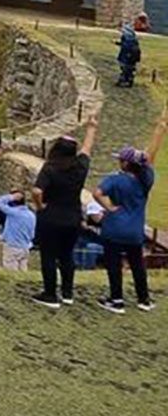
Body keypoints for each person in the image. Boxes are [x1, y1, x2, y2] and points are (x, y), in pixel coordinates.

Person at [91, 108, 165, 313]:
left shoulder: (115, 179)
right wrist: (159, 131)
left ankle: (116, 300)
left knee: (114, 265)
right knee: (137, 265)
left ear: (125, 163)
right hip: (134, 230)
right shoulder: (145, 180)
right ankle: (144, 299)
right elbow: (149, 158)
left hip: (114, 228)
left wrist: (109, 207)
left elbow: (96, 193)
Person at [30, 116, 97, 308]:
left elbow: (36, 191)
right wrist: (91, 128)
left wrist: (40, 205)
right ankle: (67, 293)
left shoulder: (50, 168)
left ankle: (50, 294)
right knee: (67, 255)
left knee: (48, 255)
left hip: (51, 216)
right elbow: (87, 149)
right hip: (72, 217)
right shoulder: (80, 168)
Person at [0, 190, 36, 272]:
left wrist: (11, 197)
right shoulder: (31, 215)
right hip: (25, 247)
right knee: (23, 271)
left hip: (12, 246)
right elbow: (32, 234)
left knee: (11, 272)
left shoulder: (13, 212)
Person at [115, 19, 142, 88]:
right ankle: (128, 80)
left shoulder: (126, 35)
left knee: (125, 68)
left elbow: (126, 46)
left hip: (127, 55)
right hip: (132, 55)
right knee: (130, 68)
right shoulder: (132, 35)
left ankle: (124, 81)